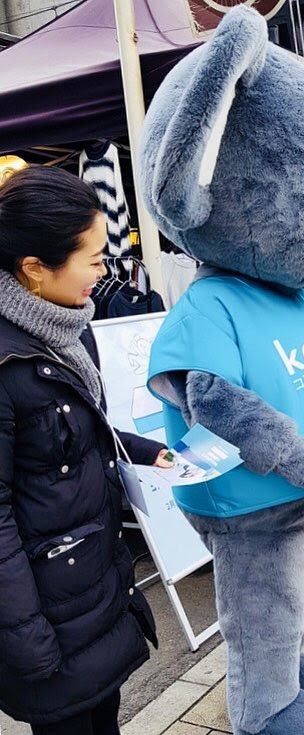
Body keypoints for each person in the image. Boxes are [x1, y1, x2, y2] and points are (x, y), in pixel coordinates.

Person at [0, 165, 171, 735]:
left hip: (95, 587)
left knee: (106, 719)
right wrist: (27, 641)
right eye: (94, 259)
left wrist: (144, 450)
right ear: (34, 269)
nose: (106, 273)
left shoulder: (67, 331)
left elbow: (79, 431)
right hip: (46, 617)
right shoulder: (9, 361)